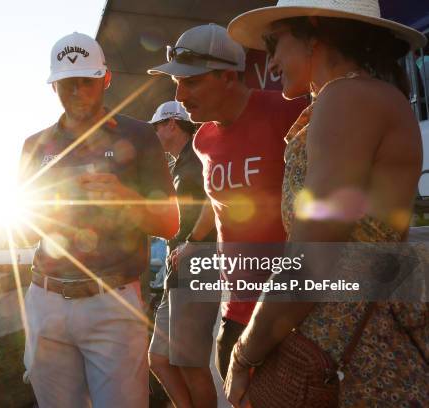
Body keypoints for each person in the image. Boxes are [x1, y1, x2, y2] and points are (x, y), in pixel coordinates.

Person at [225, 1, 428, 406]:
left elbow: (312, 255)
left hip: (349, 363)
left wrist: (245, 350)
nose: (272, 58)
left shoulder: (346, 97)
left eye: (274, 41)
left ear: (314, 31)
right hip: (353, 350)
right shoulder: (351, 99)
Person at [18, 32, 179, 408]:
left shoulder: (139, 136)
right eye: (67, 84)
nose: (77, 92)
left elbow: (170, 223)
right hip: (45, 298)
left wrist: (125, 198)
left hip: (113, 301)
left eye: (86, 82)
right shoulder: (35, 145)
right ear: (53, 85)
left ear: (106, 80)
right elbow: (23, 230)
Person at [148, 23, 306, 382]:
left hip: (290, 311)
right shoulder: (203, 140)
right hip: (235, 310)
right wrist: (193, 242)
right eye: (177, 83)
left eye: (191, 81)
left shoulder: (289, 112)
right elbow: (218, 197)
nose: (180, 94)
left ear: (228, 77)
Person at [147, 101, 219, 408]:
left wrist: (193, 241)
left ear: (172, 125)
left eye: (156, 127)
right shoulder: (179, 164)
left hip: (198, 264)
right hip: (178, 268)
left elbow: (217, 201)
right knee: (158, 358)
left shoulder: (199, 160)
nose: (154, 133)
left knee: (190, 364)